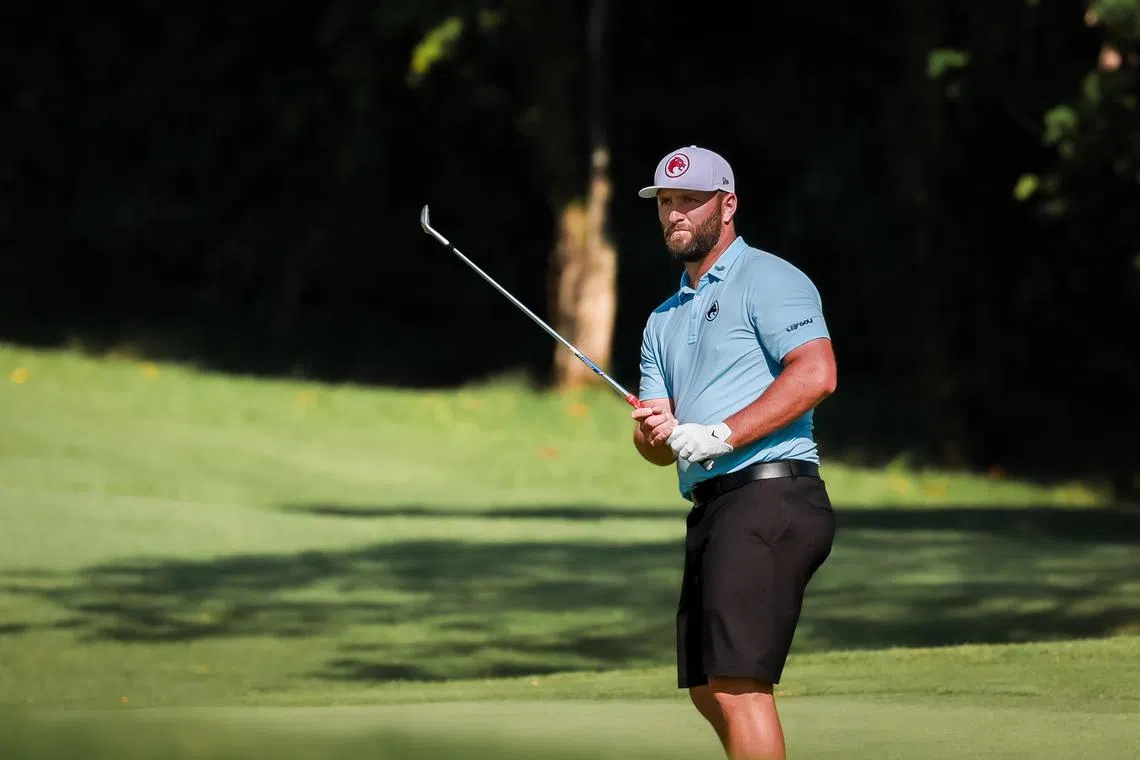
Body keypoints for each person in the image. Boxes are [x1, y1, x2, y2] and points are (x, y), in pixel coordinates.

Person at [631, 145, 838, 760]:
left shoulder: (769, 279)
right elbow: (655, 450)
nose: (675, 215)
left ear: (727, 205)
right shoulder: (662, 319)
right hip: (715, 506)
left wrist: (719, 433)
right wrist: (655, 433)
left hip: (771, 494)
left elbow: (817, 374)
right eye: (666, 203)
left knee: (738, 685)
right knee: (705, 687)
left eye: (689, 201)